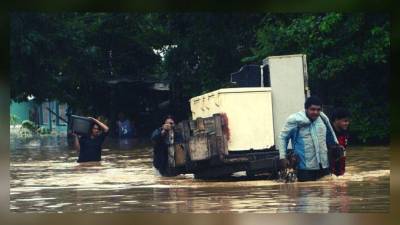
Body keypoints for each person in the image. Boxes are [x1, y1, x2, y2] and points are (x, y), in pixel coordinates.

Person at [278, 96, 338, 182]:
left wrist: (335, 146)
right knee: (307, 192)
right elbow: (283, 137)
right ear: (306, 109)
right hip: (304, 167)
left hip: (324, 165)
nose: (316, 112)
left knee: (326, 192)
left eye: (318, 109)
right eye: (312, 109)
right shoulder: (294, 120)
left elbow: (330, 133)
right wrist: (282, 157)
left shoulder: (323, 118)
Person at [329, 107, 351, 176]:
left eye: (348, 121)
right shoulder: (328, 135)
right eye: (345, 121)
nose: (347, 123)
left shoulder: (345, 133)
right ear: (336, 120)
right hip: (330, 174)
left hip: (340, 173)